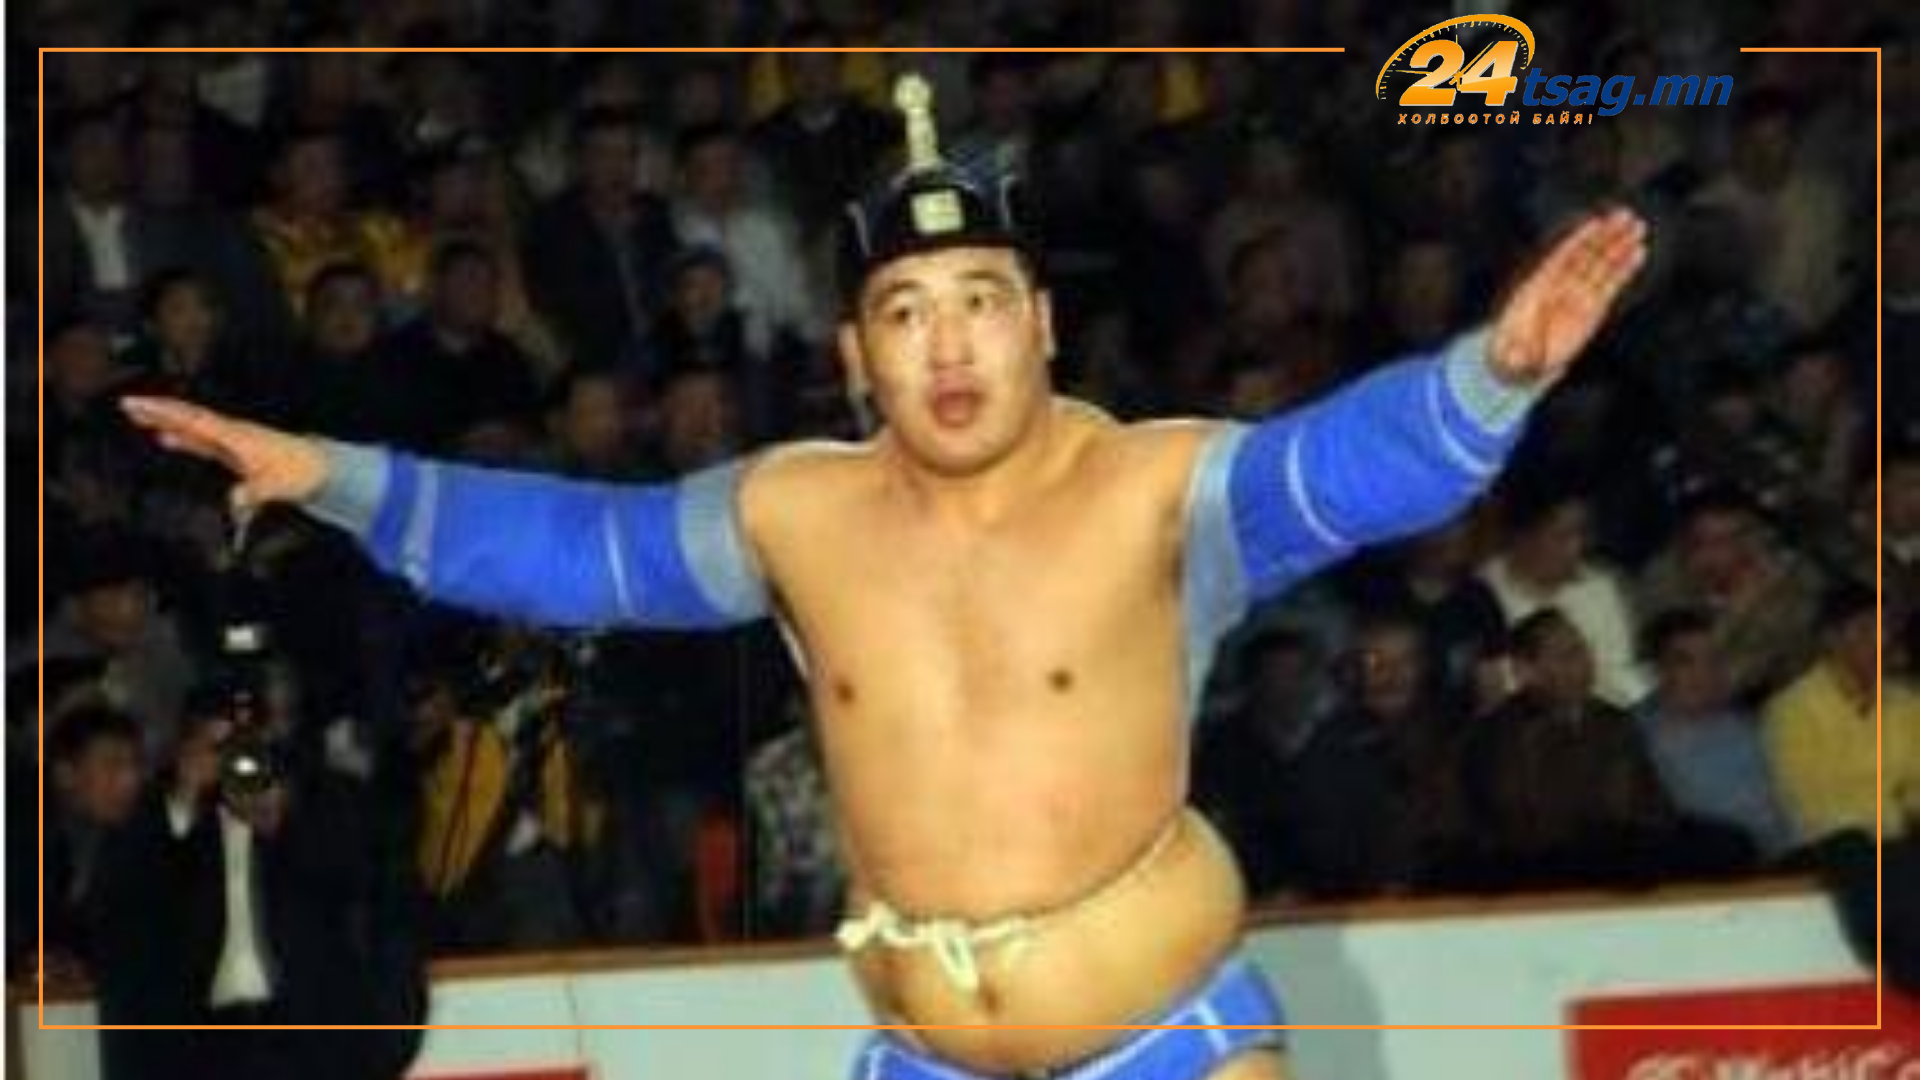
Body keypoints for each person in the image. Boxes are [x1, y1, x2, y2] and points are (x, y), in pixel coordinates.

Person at [122, 75, 1649, 1080]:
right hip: (922, 1052)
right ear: (856, 355)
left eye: (982, 299)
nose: (950, 343)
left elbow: (1344, 469)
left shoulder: (1160, 489)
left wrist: (1491, 376)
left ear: (1043, 322)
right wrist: (331, 474)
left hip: (1166, 1041)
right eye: (906, 312)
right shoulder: (796, 513)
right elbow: (577, 553)